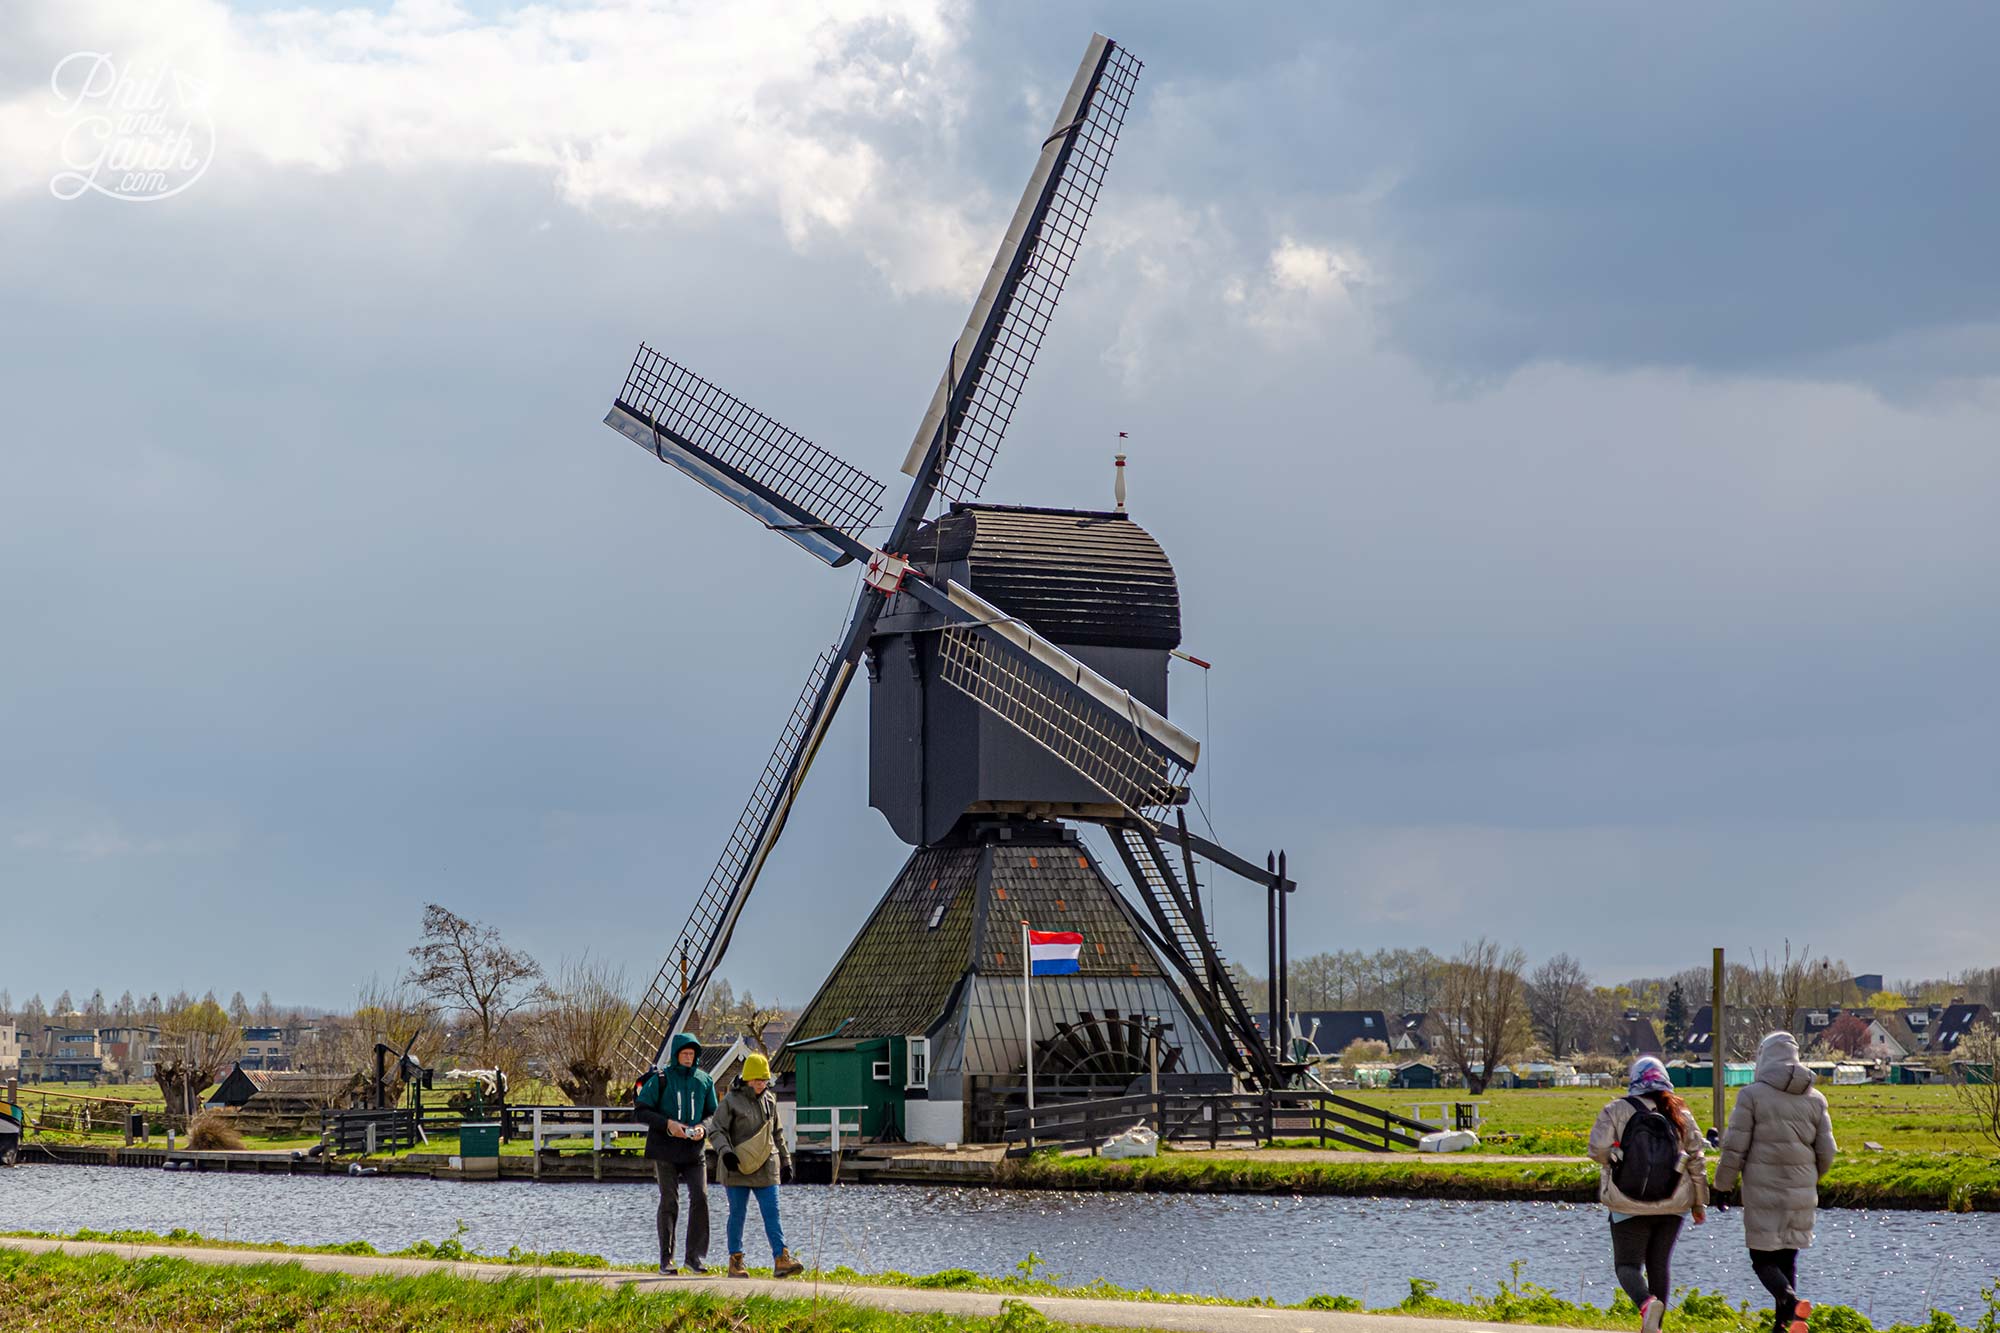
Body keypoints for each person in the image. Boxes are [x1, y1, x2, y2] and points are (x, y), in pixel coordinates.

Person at [1714, 1031, 1837, 1333]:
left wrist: (1722, 1186)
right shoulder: (1816, 1099)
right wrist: (1809, 1178)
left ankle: (1790, 1303)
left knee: (1761, 1258)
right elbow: (1828, 1151)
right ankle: (1783, 1326)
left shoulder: (1752, 1095)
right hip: (1801, 1192)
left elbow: (1734, 1148)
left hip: (1763, 1190)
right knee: (1787, 1259)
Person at [1588, 1055, 1709, 1333]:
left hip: (1627, 1202)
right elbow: (1697, 1161)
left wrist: (1617, 1157)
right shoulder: (1681, 1114)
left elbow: (1596, 1150)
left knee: (1627, 1266)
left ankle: (1645, 1303)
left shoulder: (1617, 1110)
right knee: (1659, 1266)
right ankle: (1656, 1327)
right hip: (1673, 1203)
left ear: (1634, 1082)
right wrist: (1699, 1203)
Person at [710, 1052, 805, 1279]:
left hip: (766, 1166)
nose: (762, 1084)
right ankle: (736, 1261)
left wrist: (786, 1161)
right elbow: (716, 1130)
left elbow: (778, 1134)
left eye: (765, 1080)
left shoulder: (770, 1101)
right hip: (736, 1166)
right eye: (758, 1080)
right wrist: (726, 1153)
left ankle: (781, 1259)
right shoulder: (730, 1102)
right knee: (737, 1214)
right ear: (747, 1079)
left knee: (772, 1213)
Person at [633, 1032, 718, 1275]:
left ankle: (694, 1257)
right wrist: (668, 1124)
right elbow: (640, 1112)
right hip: (665, 1149)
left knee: (700, 1197)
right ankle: (666, 1259)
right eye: (685, 1054)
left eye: (692, 1054)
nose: (689, 1058)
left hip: (694, 1150)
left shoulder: (704, 1081)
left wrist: (703, 1128)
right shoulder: (661, 1079)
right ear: (676, 1055)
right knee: (670, 1201)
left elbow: (713, 1114)